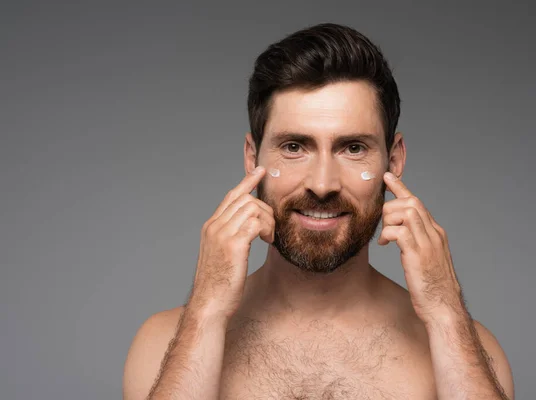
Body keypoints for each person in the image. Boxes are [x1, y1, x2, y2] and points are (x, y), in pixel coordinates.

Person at [123, 23, 514, 400]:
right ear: (251, 157)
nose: (322, 184)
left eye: (353, 148)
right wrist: (205, 310)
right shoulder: (165, 342)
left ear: (393, 162)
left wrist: (446, 312)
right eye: (294, 147)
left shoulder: (465, 350)